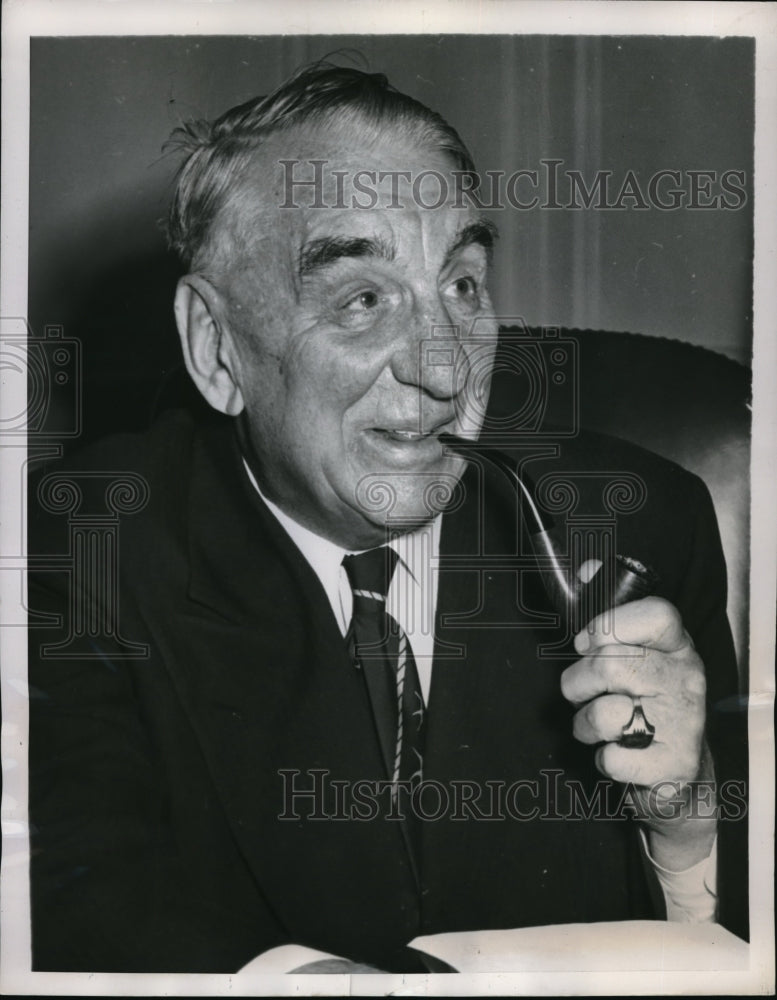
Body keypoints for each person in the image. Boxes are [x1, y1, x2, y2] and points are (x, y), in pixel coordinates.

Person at [28, 62, 748, 974]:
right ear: (216, 349)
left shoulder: (637, 522)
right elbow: (74, 897)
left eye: (461, 284)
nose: (445, 372)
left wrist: (684, 822)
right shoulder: (77, 551)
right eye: (362, 300)